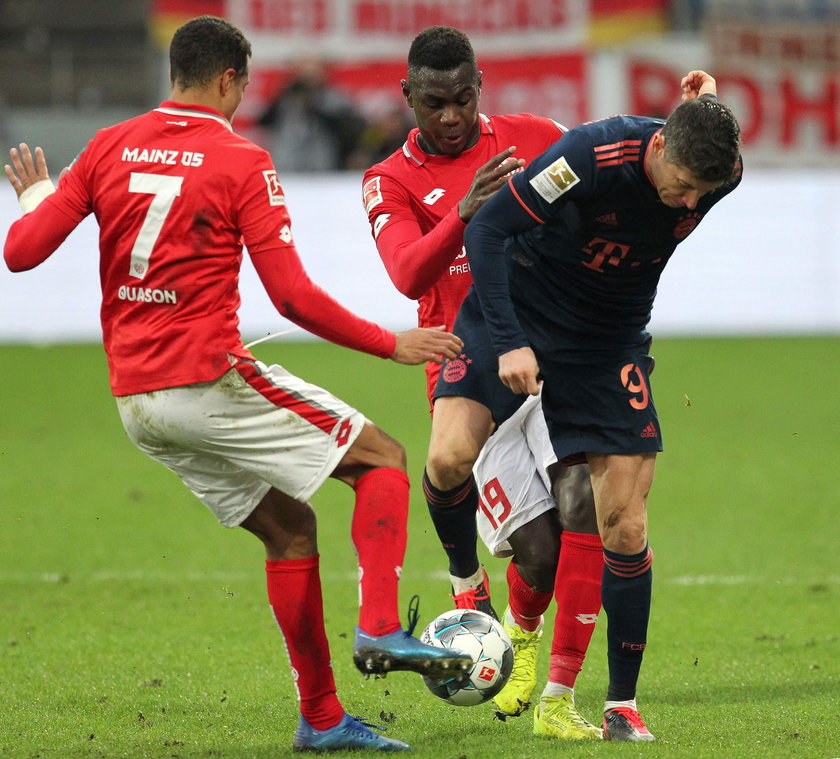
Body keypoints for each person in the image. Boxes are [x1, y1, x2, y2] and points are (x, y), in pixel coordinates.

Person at [2, 16, 473, 754]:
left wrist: (35, 198)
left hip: (138, 403)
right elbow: (290, 296)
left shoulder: (108, 145)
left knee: (290, 531)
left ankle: (321, 720)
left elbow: (22, 252)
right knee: (381, 459)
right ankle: (380, 623)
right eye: (243, 86)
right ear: (228, 80)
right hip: (206, 378)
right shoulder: (239, 157)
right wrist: (391, 342)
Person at [447, 70, 742, 741]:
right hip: (529, 318)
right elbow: (488, 232)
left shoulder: (714, 173)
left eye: (704, 191)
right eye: (684, 185)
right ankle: (474, 590)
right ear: (660, 145)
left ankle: (615, 704)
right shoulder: (586, 158)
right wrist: (513, 342)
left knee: (625, 526)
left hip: (611, 342)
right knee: (453, 459)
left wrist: (703, 108)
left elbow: (703, 156)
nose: (690, 202)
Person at [362, 25, 603, 739]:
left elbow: (605, 171)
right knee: (496, 510)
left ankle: (528, 656)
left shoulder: (534, 136)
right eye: (434, 103)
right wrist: (466, 212)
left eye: (464, 99)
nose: (452, 116)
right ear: (409, 97)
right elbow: (407, 272)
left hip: (550, 344)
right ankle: (467, 579)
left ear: (479, 89)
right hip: (464, 349)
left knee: (580, 501)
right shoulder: (389, 179)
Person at [257, 55, 367, 171]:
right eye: (304, 73)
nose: (308, 79)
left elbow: (351, 127)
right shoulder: (285, 99)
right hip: (287, 163)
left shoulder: (334, 98)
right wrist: (283, 94)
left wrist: (316, 107)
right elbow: (263, 121)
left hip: (322, 162)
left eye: (313, 73)